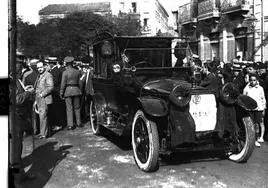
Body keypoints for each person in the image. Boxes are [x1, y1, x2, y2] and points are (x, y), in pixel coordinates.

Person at [11, 58, 36, 183]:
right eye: (19, 68)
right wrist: (28, 93)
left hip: (18, 118)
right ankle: (18, 178)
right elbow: (16, 99)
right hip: (15, 119)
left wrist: (25, 89)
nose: (21, 70)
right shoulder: (11, 81)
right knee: (15, 150)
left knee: (17, 149)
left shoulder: (16, 80)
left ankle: (20, 175)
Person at [243, 73, 266, 147]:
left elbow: (263, 99)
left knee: (257, 125)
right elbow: (243, 98)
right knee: (250, 125)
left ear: (257, 81)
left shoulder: (260, 88)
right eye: (251, 80)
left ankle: (256, 140)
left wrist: (264, 108)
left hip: (258, 109)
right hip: (249, 109)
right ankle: (250, 140)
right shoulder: (247, 88)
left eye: (254, 80)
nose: (252, 81)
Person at [60, 56, 82, 130]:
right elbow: (80, 83)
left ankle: (70, 124)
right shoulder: (77, 71)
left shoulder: (65, 73)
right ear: (72, 63)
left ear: (66, 63)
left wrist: (61, 93)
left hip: (68, 91)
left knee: (69, 108)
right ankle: (79, 123)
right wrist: (80, 90)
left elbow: (63, 84)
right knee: (77, 107)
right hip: (76, 90)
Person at [34, 61, 54, 138]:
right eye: (38, 68)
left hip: (44, 98)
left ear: (44, 67)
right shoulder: (39, 75)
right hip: (39, 98)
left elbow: (50, 87)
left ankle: (43, 134)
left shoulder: (48, 75)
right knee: (42, 116)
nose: (39, 69)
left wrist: (42, 94)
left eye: (41, 67)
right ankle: (44, 132)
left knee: (43, 116)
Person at [46, 57, 64, 131]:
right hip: (55, 92)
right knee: (56, 108)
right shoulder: (54, 70)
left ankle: (59, 124)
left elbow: (55, 81)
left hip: (55, 92)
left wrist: (48, 83)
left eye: (49, 63)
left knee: (57, 109)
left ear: (51, 63)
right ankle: (58, 124)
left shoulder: (55, 71)